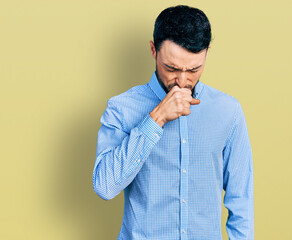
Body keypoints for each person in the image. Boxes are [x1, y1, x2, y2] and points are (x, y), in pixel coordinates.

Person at [92, 5, 254, 240]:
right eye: (172, 68)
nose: (182, 79)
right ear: (153, 50)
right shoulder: (121, 108)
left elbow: (241, 201)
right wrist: (156, 118)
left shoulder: (228, 111)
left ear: (207, 52)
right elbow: (105, 187)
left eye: (194, 69)